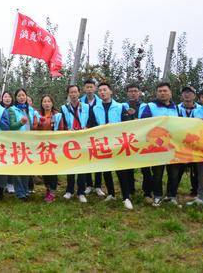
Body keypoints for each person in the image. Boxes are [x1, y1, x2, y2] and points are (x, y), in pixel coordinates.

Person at [90, 82, 134, 210]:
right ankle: (111, 194)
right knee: (106, 169)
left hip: (118, 144)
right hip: (102, 143)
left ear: (111, 92)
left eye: (105, 90)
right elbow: (92, 125)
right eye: (100, 91)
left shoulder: (120, 107)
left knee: (122, 171)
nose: (102, 92)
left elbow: (127, 125)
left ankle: (126, 197)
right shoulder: (95, 108)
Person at [140, 82, 182, 206]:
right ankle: (157, 195)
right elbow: (144, 124)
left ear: (170, 93)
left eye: (165, 91)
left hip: (173, 146)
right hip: (156, 147)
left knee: (174, 174)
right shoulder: (150, 106)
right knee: (157, 173)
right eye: (160, 91)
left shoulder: (177, 108)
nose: (162, 93)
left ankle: (171, 196)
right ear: (156, 93)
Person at [0, 88, 40, 201]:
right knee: (17, 168)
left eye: (23, 95)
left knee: (26, 168)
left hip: (28, 143)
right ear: (15, 98)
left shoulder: (30, 110)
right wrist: (20, 123)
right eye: (19, 96)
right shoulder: (12, 110)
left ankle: (26, 190)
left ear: (26, 97)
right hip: (16, 143)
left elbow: (36, 123)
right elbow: (11, 126)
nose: (22, 97)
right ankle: (20, 193)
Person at [59, 85, 90, 203]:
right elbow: (62, 124)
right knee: (70, 166)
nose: (73, 94)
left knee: (82, 166)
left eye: (75, 92)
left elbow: (91, 120)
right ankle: (69, 190)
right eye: (71, 92)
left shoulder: (86, 107)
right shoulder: (64, 108)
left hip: (82, 139)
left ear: (79, 93)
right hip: (70, 140)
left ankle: (81, 192)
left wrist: (87, 127)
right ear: (68, 94)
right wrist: (67, 129)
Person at [123, 83, 149, 202]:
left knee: (145, 168)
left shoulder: (146, 106)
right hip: (127, 141)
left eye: (135, 91)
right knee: (128, 167)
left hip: (142, 140)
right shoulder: (122, 106)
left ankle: (147, 192)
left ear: (139, 92)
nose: (133, 93)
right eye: (130, 91)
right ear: (127, 93)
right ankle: (130, 190)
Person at [33, 95, 62, 203]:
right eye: (44, 101)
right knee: (44, 169)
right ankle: (48, 189)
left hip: (53, 146)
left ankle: (53, 192)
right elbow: (34, 128)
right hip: (41, 147)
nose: (46, 103)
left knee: (52, 170)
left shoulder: (58, 116)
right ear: (41, 103)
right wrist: (39, 125)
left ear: (52, 103)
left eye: (49, 101)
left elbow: (61, 129)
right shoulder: (37, 115)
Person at [178, 86, 200, 197]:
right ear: (181, 95)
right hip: (180, 144)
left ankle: (196, 191)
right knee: (178, 168)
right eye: (185, 92)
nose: (187, 95)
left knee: (196, 169)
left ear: (194, 95)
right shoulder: (176, 108)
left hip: (197, 144)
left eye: (190, 93)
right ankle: (173, 190)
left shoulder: (201, 109)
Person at [0, 91, 16, 194]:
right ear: (2, 98)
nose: (7, 99)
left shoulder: (14, 109)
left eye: (9, 97)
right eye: (5, 97)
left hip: (12, 139)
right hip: (1, 139)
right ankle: (3, 184)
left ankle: (10, 184)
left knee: (11, 161)